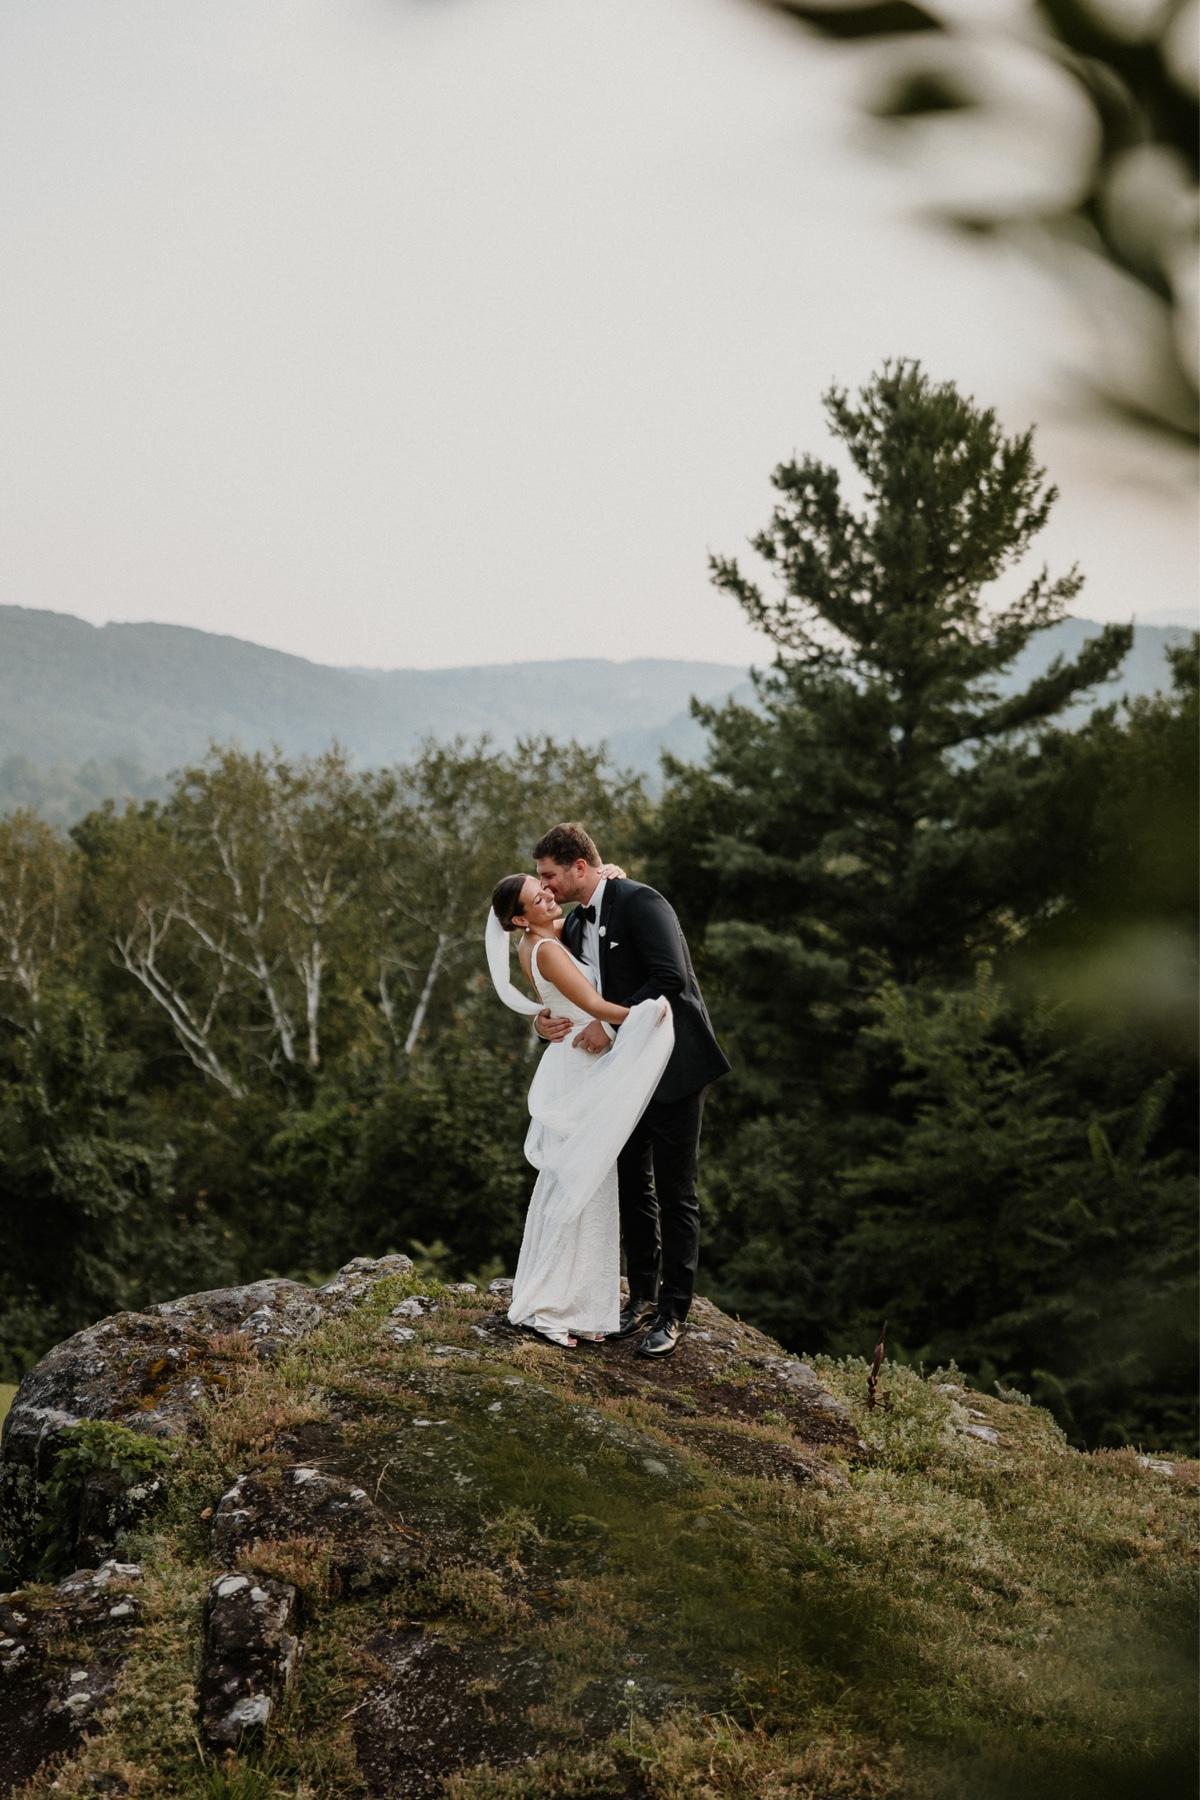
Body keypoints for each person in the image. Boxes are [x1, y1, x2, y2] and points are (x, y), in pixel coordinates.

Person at [532, 822, 730, 1358]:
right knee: (631, 1183)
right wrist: (541, 1021)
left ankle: (673, 1313)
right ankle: (641, 1295)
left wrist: (610, 1025)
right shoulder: (576, 922)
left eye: (549, 876)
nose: (545, 886)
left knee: (676, 1190)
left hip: (673, 1065)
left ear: (579, 867)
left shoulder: (642, 902)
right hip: (619, 1075)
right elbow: (566, 985)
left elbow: (670, 978)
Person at [486, 871, 674, 1347]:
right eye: (538, 896)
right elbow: (592, 1002)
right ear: (519, 919)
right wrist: (645, 1014)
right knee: (577, 1184)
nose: (549, 895)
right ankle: (549, 1306)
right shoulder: (546, 950)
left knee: (587, 1183)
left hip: (579, 1062)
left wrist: (608, 871)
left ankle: (580, 1305)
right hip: (579, 1065)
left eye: (546, 886)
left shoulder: (543, 938)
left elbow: (586, 905)